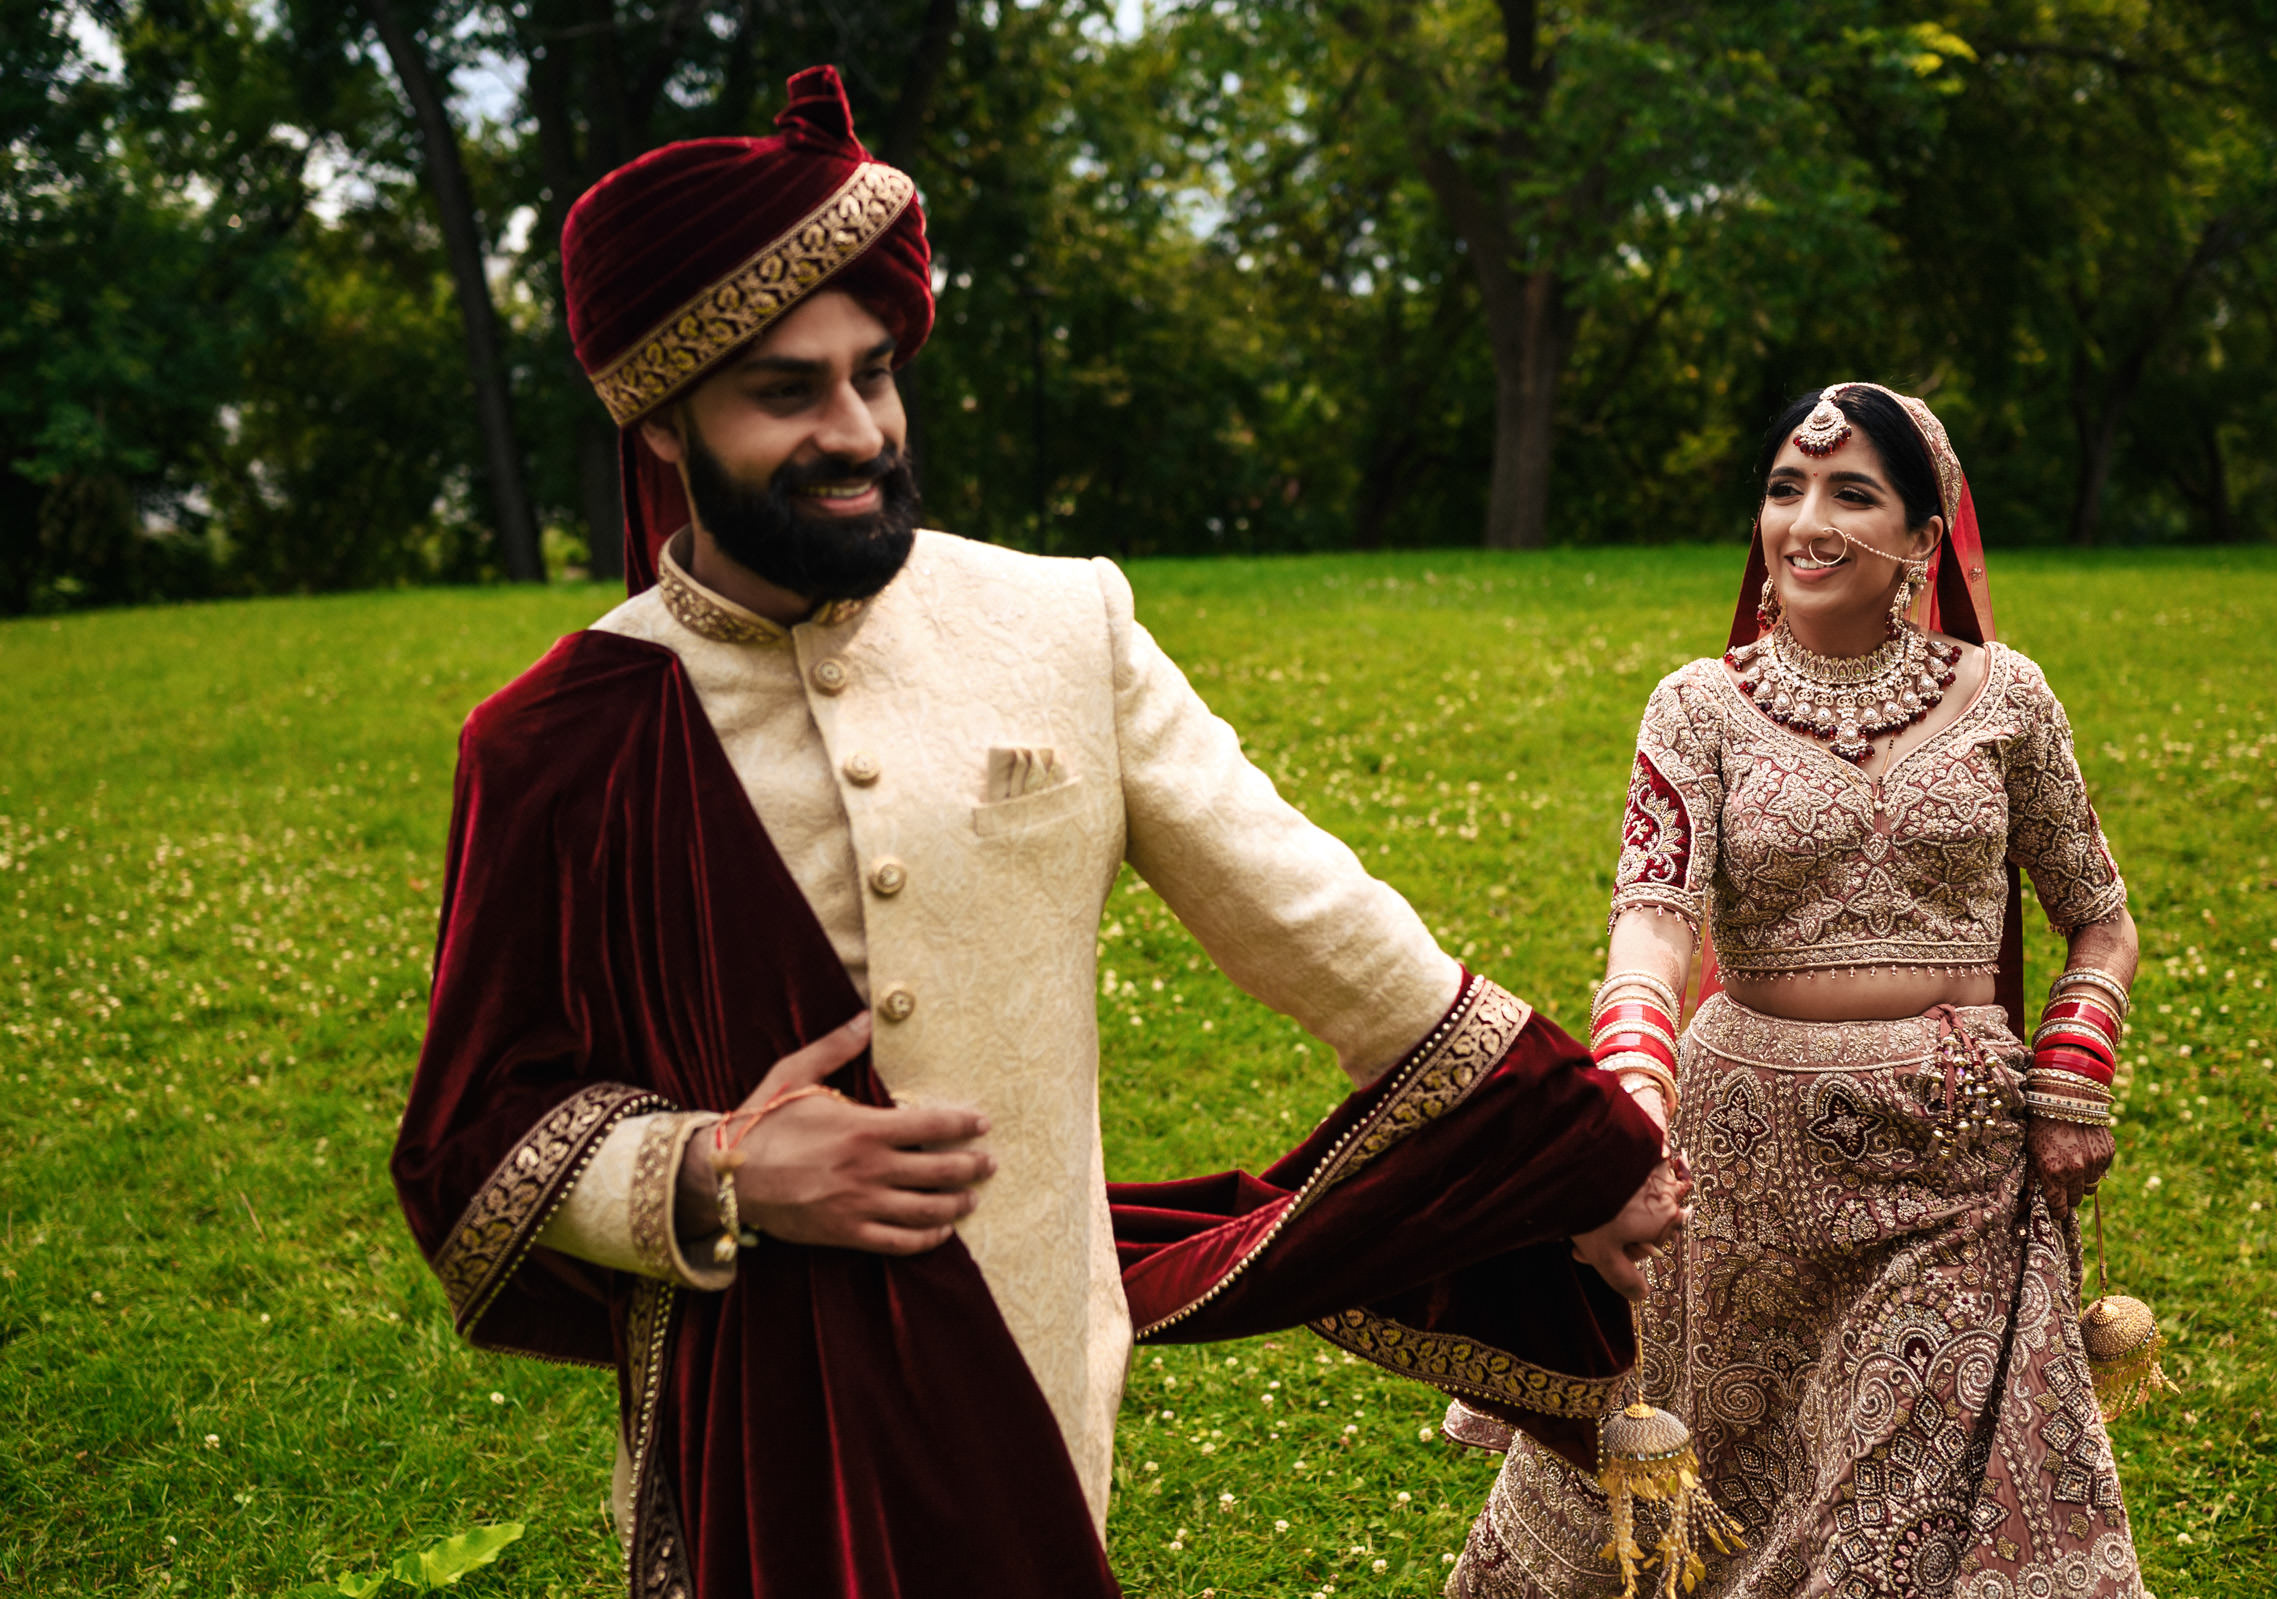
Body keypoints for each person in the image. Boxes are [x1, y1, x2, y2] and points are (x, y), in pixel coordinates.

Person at [388, 66, 1685, 1599]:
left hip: (1039, 1374)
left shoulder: (1061, 619)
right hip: (754, 1437)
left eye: (876, 371)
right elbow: (468, 1147)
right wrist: (713, 1165)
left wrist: (1586, 1151)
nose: (860, 427)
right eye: (788, 391)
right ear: (662, 423)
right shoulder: (557, 740)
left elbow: (1317, 921)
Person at [1444, 383, 2148, 1598]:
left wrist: (2074, 1066)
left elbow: (2099, 919)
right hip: (1736, 1180)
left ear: (1924, 540)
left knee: (1894, 1523)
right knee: (1722, 1506)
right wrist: (1629, 1105)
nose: (1806, 520)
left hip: (1952, 1174)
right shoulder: (1699, 708)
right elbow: (1653, 929)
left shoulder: (2008, 699)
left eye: (1851, 493)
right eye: (1785, 488)